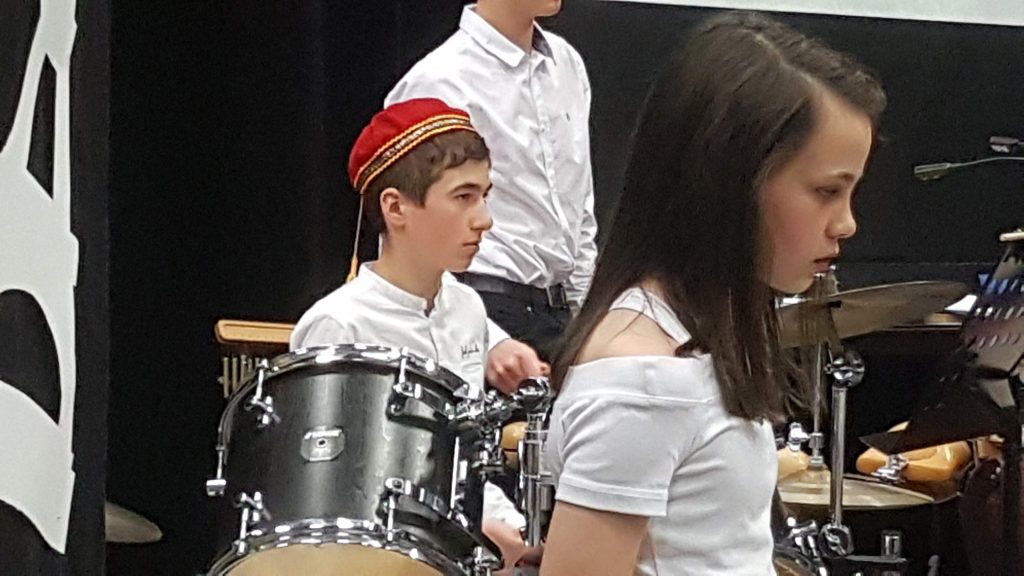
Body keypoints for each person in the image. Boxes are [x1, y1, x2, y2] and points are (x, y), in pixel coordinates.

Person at [539, 12, 887, 575]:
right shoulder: (644, 381)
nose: (846, 223)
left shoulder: (682, 347)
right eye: (826, 191)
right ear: (729, 181)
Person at [289, 97, 531, 566]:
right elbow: (337, 491)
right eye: (463, 197)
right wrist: (472, 531)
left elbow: (467, 465)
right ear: (396, 207)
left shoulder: (467, 308)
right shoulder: (340, 323)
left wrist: (511, 527)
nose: (484, 219)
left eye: (485, 196)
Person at [385, 0, 597, 377]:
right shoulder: (440, 80)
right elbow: (408, 242)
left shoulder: (566, 65)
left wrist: (588, 318)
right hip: (481, 309)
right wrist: (487, 340)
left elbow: (578, 208)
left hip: (560, 315)